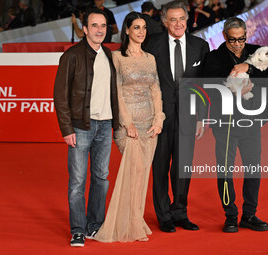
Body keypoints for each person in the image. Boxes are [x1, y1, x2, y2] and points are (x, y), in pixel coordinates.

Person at [94, 11, 165, 242]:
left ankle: (135, 218)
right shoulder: (117, 58)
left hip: (150, 127)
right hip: (129, 126)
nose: (141, 32)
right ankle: (128, 222)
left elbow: (155, 90)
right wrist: (127, 123)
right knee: (132, 173)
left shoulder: (150, 58)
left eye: (144, 27)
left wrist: (158, 119)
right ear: (126, 30)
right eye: (136, 27)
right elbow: (117, 92)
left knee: (143, 174)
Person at [203, 16, 268, 233]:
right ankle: (231, 215)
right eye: (233, 40)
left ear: (246, 35)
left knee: (253, 168)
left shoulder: (257, 52)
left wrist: (249, 67)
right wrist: (235, 91)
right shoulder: (214, 58)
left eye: (241, 39)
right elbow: (209, 86)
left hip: (251, 121)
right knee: (225, 170)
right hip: (225, 124)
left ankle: (250, 215)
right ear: (225, 36)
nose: (237, 44)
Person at [53, 8, 119, 247]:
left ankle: (95, 225)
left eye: (103, 26)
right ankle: (78, 229)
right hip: (81, 127)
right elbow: (60, 96)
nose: (100, 30)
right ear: (84, 29)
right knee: (78, 182)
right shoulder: (71, 56)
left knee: (101, 179)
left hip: (106, 126)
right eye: (94, 25)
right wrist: (66, 128)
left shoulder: (110, 56)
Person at [145, 1, 209, 233]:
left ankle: (180, 212)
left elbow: (204, 85)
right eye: (173, 19)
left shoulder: (200, 46)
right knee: (160, 166)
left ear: (187, 18)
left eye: (181, 18)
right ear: (164, 22)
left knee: (183, 167)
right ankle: (164, 216)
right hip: (159, 117)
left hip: (188, 116)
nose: (178, 23)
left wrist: (202, 117)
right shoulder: (152, 45)